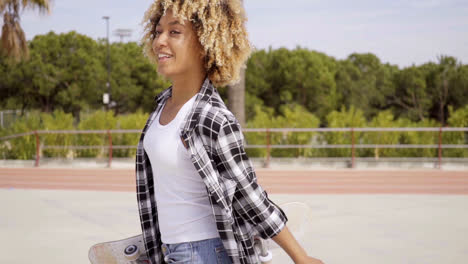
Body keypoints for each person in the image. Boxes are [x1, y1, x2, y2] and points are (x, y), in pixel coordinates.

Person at [136, 1, 325, 263]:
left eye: (174, 32)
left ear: (204, 43)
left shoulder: (213, 118)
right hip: (172, 251)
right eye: (158, 32)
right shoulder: (160, 109)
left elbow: (249, 196)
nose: (160, 42)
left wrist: (301, 258)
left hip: (204, 254)